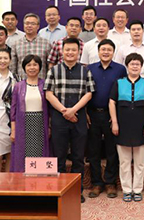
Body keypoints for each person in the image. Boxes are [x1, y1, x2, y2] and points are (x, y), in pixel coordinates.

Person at [45, 37, 94, 203]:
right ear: (62, 51)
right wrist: (64, 111)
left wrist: (73, 110)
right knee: (59, 157)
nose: (70, 52)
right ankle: (59, 191)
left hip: (79, 116)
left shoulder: (85, 70)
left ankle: (76, 191)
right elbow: (48, 94)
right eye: (67, 50)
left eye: (74, 50)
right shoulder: (54, 70)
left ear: (79, 52)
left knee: (78, 157)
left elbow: (89, 93)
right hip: (59, 117)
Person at [109, 53, 144, 202]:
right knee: (124, 162)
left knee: (140, 162)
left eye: (137, 64)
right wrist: (114, 122)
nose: (135, 66)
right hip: (122, 126)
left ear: (141, 67)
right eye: (132, 64)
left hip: (141, 126)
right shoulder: (119, 83)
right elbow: (112, 102)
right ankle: (127, 190)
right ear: (127, 66)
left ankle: (137, 190)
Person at [86, 39, 127, 199]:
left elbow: (123, 92)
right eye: (103, 49)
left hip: (111, 115)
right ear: (98, 51)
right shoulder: (89, 69)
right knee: (94, 150)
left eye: (109, 50)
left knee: (112, 150)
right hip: (92, 114)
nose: (106, 52)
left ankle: (110, 183)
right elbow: (84, 91)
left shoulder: (120, 69)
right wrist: (85, 112)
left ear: (113, 52)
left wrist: (117, 115)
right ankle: (96, 183)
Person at [10, 54, 51, 172]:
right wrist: (13, 130)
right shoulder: (18, 86)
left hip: (40, 123)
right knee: (23, 155)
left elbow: (49, 109)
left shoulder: (45, 84)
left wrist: (49, 126)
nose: (32, 67)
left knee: (40, 153)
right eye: (29, 65)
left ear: (40, 67)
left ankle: (39, 180)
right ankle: (23, 181)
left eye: (35, 65)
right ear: (24, 68)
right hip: (23, 124)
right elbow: (13, 110)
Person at [10, 13, 52, 80]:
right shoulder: (16, 44)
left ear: (38, 26)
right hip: (21, 83)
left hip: (41, 83)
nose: (29, 26)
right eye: (27, 23)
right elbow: (13, 68)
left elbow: (50, 67)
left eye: (33, 24)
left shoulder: (46, 43)